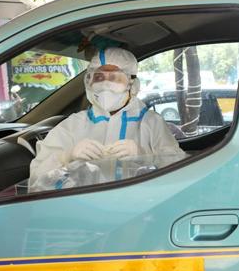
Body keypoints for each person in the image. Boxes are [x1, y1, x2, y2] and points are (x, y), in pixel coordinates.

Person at [29, 47, 184, 190]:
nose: (105, 84)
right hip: (84, 210)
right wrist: (66, 157)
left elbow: (180, 170)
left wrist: (146, 156)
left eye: (115, 78)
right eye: (99, 77)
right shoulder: (72, 125)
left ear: (132, 83)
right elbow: (36, 180)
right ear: (89, 82)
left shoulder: (151, 122)